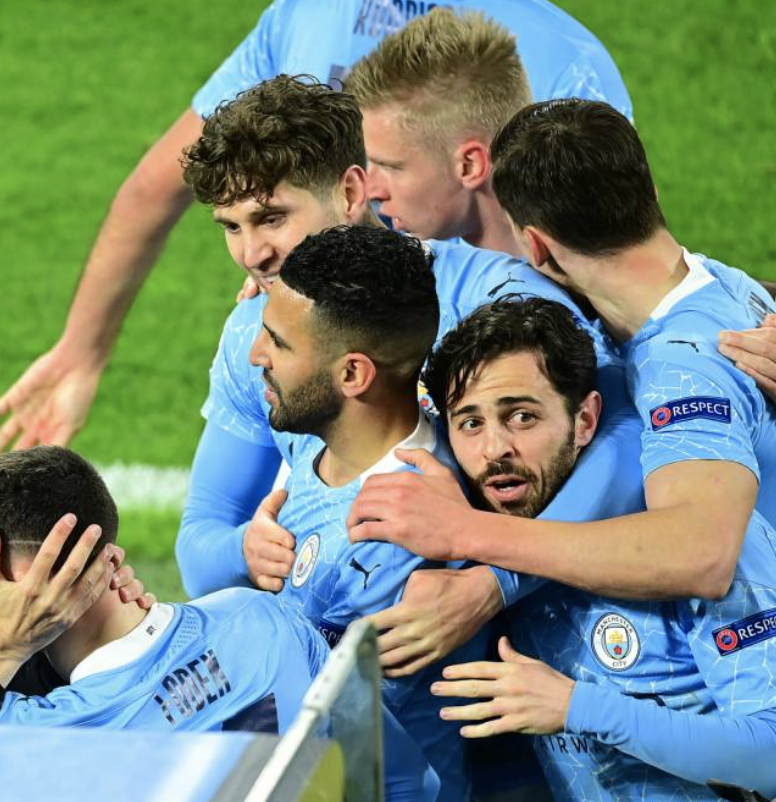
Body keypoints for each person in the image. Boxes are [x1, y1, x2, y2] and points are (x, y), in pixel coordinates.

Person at [0, 0, 634, 451]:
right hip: (383, 359)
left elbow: (607, 246)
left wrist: (84, 350)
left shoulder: (312, 12)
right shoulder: (558, 47)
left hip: (492, 368)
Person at [173, 75, 644, 672]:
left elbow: (626, 438)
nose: (251, 254)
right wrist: (243, 550)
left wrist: (491, 584)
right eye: (231, 227)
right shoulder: (256, 335)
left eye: (271, 218)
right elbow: (201, 535)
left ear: (350, 191)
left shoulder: (490, 297)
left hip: (546, 660)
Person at [349, 99, 776, 603]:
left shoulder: (681, 365)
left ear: (535, 247)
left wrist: (467, 533)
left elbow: (700, 557)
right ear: (650, 196)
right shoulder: (723, 283)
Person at [423, 297, 776, 800]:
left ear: (585, 420)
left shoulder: (694, 540)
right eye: (470, 423)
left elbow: (770, 756)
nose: (495, 449)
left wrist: (575, 707)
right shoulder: (481, 562)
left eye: (522, 417)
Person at [0, 445, 439, 802]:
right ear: (111, 557)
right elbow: (408, 784)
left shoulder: (40, 736)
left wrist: (8, 647)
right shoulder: (262, 615)